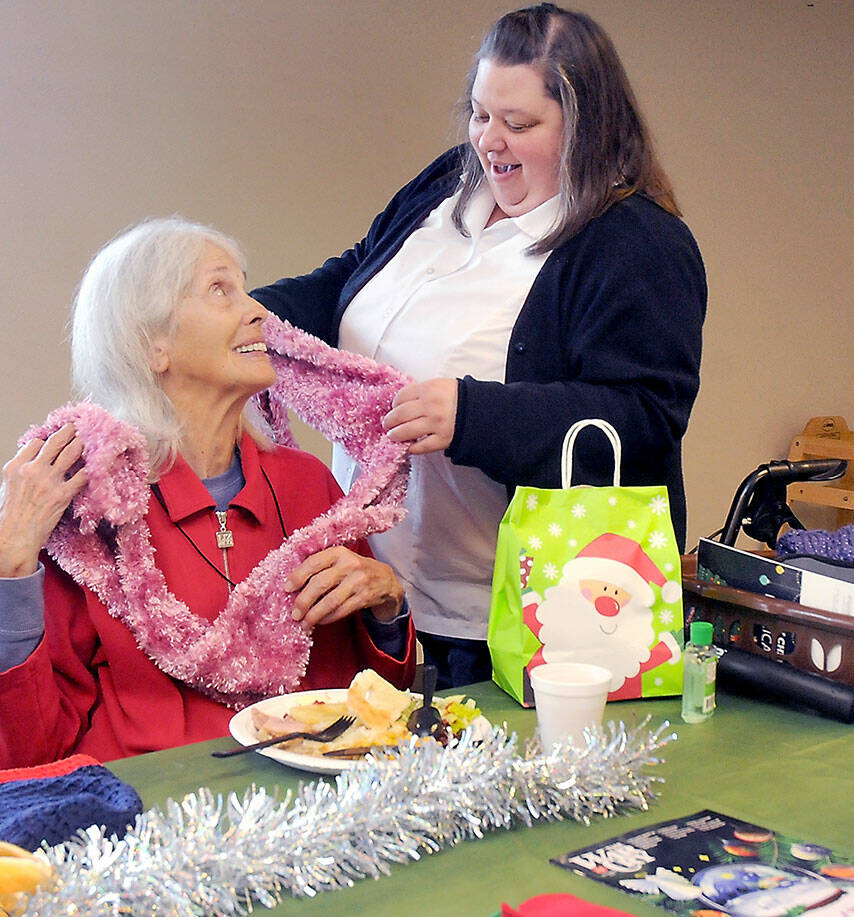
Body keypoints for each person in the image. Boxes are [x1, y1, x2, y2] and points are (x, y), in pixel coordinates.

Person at [252, 3, 706, 688]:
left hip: (504, 629)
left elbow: (643, 417)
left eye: (519, 124)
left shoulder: (638, 244)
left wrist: (471, 417)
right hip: (377, 596)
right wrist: (255, 318)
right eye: (479, 113)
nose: (490, 141)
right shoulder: (450, 181)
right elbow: (354, 275)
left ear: (587, 129)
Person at [0, 218, 415, 769]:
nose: (258, 311)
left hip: (304, 804)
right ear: (152, 346)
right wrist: (8, 570)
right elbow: (12, 756)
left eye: (246, 288)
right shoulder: (91, 509)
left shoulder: (307, 484)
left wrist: (387, 613)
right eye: (221, 290)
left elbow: (362, 708)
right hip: (146, 811)